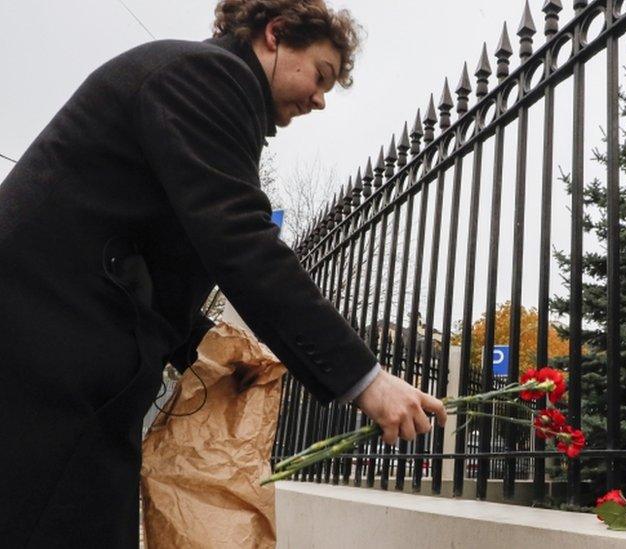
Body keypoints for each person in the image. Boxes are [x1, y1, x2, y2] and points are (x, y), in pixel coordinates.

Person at [0, 1, 446, 546]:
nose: (321, 99)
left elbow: (161, 252)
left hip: (58, 350)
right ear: (275, 34)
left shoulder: (203, 91)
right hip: (47, 354)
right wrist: (365, 380)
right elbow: (240, 242)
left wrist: (205, 346)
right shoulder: (207, 77)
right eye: (320, 75)